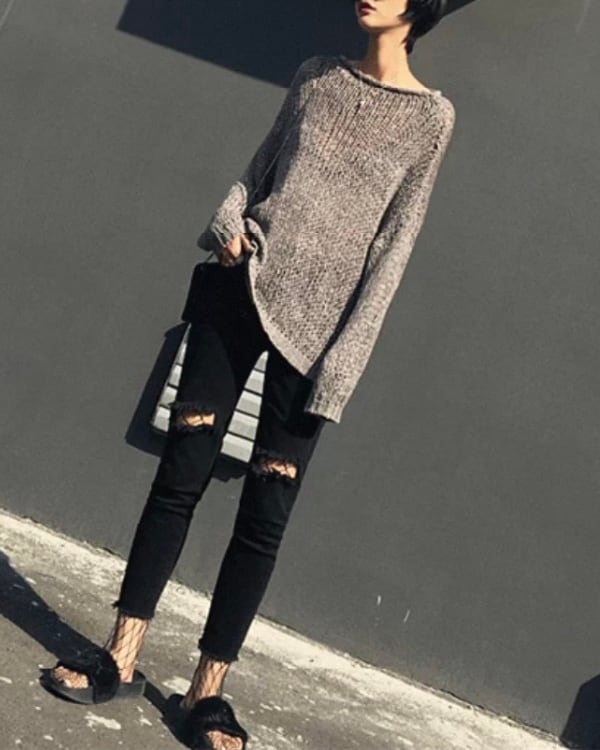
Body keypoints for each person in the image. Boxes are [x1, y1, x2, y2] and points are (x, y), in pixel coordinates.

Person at [40, 1, 456, 748]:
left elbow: (395, 248)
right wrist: (228, 222)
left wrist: (342, 365)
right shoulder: (316, 77)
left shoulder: (431, 120)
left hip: (318, 336)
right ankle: (121, 655)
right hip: (240, 289)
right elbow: (259, 169)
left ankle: (208, 692)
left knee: (264, 519)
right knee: (179, 476)